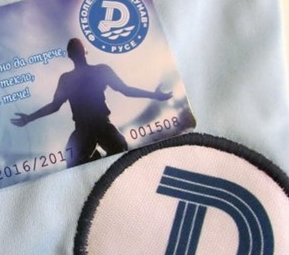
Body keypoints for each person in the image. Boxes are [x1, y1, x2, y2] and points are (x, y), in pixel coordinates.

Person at [10, 38, 172, 167]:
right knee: (73, 161)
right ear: (71, 55)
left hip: (102, 125)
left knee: (121, 153)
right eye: (73, 48)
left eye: (78, 47)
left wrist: (154, 95)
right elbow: (54, 106)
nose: (76, 50)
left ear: (83, 51)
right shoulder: (67, 79)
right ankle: (95, 161)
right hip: (82, 129)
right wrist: (29, 118)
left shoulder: (100, 70)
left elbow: (125, 90)